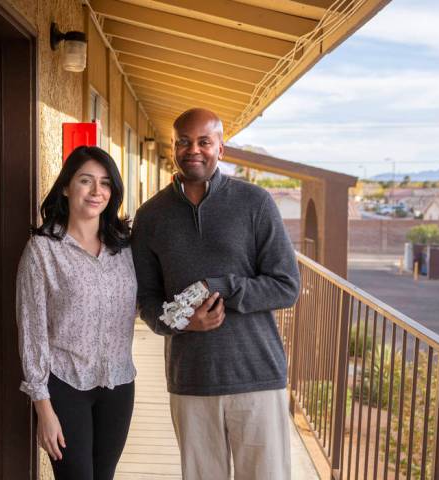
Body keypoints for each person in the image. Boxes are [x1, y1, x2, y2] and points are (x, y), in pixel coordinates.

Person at [131, 108, 300, 480]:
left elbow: (287, 285)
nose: (194, 150)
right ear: (173, 147)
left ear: (220, 148)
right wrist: (182, 322)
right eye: (184, 142)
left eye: (204, 142)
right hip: (191, 379)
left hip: (257, 375)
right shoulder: (151, 216)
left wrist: (223, 285)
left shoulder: (255, 204)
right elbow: (146, 299)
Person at [16, 145, 137, 480]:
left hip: (119, 384)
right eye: (86, 181)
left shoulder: (125, 247)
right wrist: (43, 408)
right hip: (65, 387)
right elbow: (32, 332)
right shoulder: (42, 251)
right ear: (67, 187)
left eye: (105, 183)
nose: (97, 191)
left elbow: (144, 302)